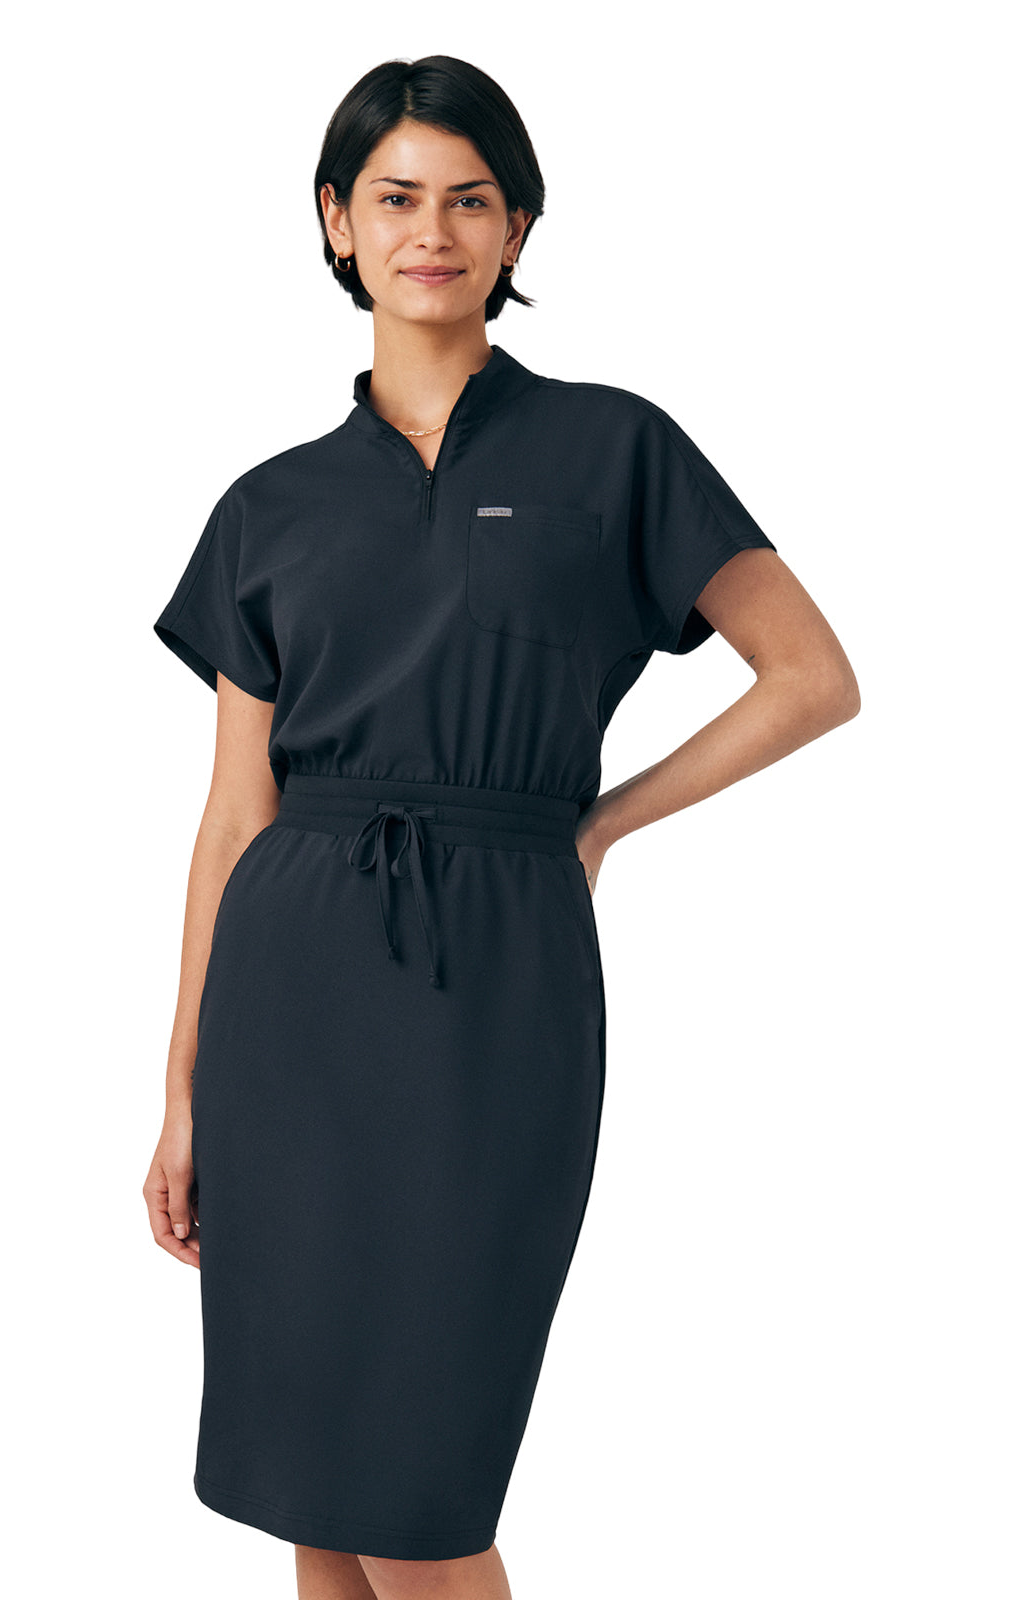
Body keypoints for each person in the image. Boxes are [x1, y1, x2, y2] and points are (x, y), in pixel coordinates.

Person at [143, 53, 860, 1600]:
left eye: (471, 200)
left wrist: (597, 827)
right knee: (312, 1475)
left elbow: (813, 677)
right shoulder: (269, 505)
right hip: (289, 999)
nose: (432, 231)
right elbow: (234, 813)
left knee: (418, 1479)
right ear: (336, 222)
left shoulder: (613, 448)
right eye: (396, 197)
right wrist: (183, 1089)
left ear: (519, 229)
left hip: (497, 977)